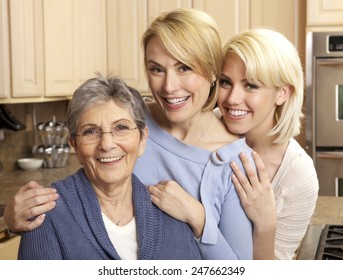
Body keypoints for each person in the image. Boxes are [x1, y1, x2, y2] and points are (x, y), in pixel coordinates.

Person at [5, 9, 254, 260]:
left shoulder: (238, 162)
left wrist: (198, 219)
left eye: (184, 67)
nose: (169, 86)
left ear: (213, 71)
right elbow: (88, 175)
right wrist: (13, 219)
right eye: (156, 69)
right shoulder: (126, 118)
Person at [18, 73, 202, 260]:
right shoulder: (46, 216)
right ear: (74, 145)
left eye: (121, 127)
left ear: (142, 139)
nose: (106, 144)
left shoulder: (173, 215)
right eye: (90, 131)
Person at [217, 28, 319, 259]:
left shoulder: (298, 175)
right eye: (225, 82)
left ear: (283, 93)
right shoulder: (203, 128)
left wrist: (265, 224)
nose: (232, 99)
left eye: (250, 85)